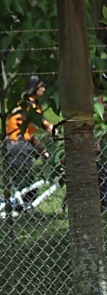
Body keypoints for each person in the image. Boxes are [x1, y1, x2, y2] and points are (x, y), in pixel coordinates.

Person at [4, 76, 54, 206]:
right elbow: (46, 125)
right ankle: (21, 208)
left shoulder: (22, 103)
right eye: (41, 86)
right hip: (18, 146)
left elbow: (28, 135)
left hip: (14, 145)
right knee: (28, 185)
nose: (44, 89)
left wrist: (42, 151)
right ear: (34, 88)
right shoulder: (30, 106)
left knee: (23, 183)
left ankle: (20, 206)